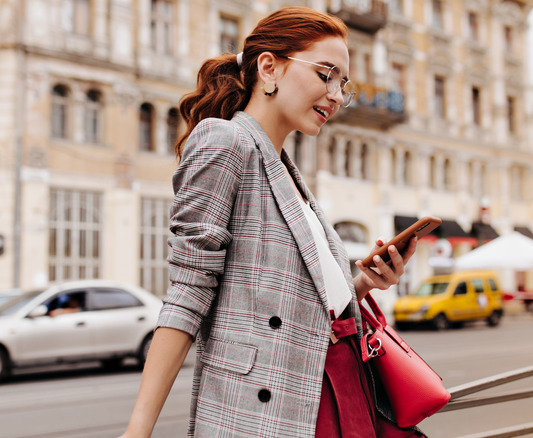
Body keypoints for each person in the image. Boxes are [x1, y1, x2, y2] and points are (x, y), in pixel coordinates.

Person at [120, 6, 424, 437]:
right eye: (326, 74)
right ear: (269, 68)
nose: (337, 95)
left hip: (336, 388)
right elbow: (189, 290)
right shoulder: (226, 141)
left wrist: (362, 283)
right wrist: (139, 428)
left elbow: (291, 300)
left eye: (343, 84)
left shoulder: (286, 171)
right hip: (269, 408)